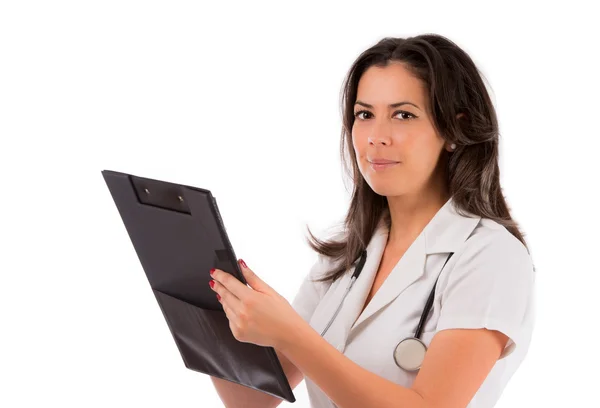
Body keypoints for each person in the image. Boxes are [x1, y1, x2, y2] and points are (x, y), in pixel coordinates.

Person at [208, 33, 535, 408]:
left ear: (453, 130)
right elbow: (251, 399)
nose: (377, 137)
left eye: (403, 115)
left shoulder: (490, 256)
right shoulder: (346, 253)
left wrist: (291, 334)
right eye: (365, 115)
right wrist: (198, 304)